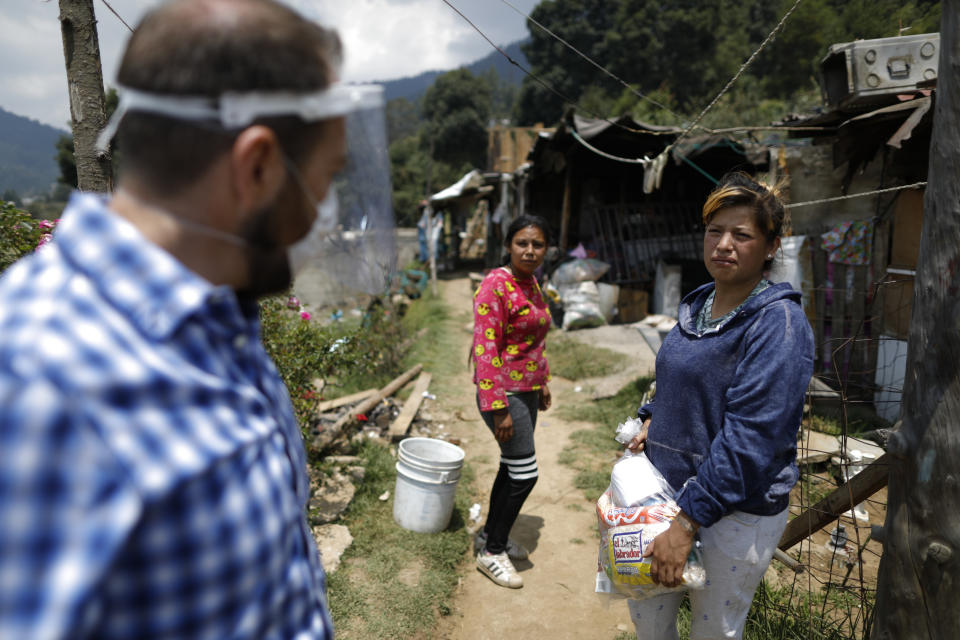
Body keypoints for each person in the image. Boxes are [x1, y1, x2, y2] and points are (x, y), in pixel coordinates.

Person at [0, 1, 363, 637]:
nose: (324, 214)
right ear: (256, 167)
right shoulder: (39, 384)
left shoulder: (216, 313)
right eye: (325, 180)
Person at [625, 172, 814, 639]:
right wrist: (652, 418)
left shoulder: (778, 325)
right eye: (715, 231)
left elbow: (752, 438)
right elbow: (676, 383)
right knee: (649, 623)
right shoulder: (698, 303)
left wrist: (688, 522)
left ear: (771, 247)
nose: (724, 244)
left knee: (713, 632)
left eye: (742, 235)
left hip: (733, 511)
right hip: (661, 495)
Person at [471, 215, 553, 588]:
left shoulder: (532, 282)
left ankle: (490, 535)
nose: (530, 251)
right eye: (522, 243)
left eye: (537, 244)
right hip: (504, 393)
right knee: (526, 474)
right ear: (508, 246)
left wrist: (543, 381)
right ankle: (492, 553)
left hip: (528, 391)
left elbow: (534, 339)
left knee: (511, 467)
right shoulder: (495, 285)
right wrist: (498, 407)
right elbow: (485, 350)